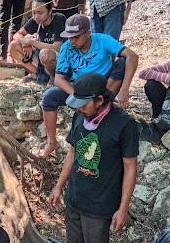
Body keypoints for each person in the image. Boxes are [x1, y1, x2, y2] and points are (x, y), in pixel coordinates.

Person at [48, 73, 138, 243]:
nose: (79, 109)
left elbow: (130, 167)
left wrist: (123, 208)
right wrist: (58, 186)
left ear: (100, 100)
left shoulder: (123, 125)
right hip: (76, 195)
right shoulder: (81, 115)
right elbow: (73, 153)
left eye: (84, 103)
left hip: (101, 203)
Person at [39, 13, 138, 158]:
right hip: (79, 86)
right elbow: (59, 79)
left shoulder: (102, 40)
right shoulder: (67, 47)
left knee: (122, 63)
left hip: (104, 85)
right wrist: (77, 95)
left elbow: (132, 56)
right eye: (70, 37)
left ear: (87, 33)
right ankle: (51, 142)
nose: (72, 41)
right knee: (49, 97)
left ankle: (105, 101)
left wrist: (125, 90)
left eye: (76, 37)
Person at [9, 0, 67, 83]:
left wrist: (31, 42)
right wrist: (25, 42)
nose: (36, 16)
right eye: (33, 12)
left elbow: (57, 47)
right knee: (13, 45)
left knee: (45, 54)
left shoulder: (59, 19)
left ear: (50, 11)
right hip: (40, 60)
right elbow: (17, 34)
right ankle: (36, 73)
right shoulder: (35, 20)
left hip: (57, 61)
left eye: (40, 12)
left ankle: (53, 78)